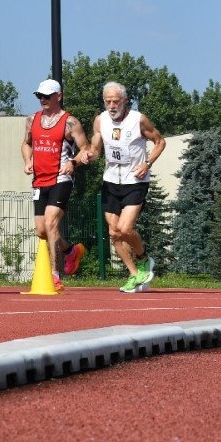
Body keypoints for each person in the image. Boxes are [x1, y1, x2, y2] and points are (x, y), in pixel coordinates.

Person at [82, 81, 165, 293]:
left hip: (135, 181)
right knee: (114, 233)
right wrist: (89, 155)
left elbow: (160, 142)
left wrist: (147, 164)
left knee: (125, 229)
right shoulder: (100, 120)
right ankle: (135, 275)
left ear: (125, 101)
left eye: (116, 101)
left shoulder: (138, 119)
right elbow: (96, 149)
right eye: (107, 101)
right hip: (111, 181)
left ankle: (144, 259)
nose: (111, 106)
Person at [20, 79, 91, 291]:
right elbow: (26, 143)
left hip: (61, 178)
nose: (42, 99)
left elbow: (86, 149)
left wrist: (73, 162)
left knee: (51, 223)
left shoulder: (71, 123)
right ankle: (71, 251)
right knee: (41, 230)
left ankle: (55, 275)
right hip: (39, 179)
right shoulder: (32, 119)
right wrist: (28, 160)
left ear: (58, 96)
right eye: (39, 96)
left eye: (47, 96)